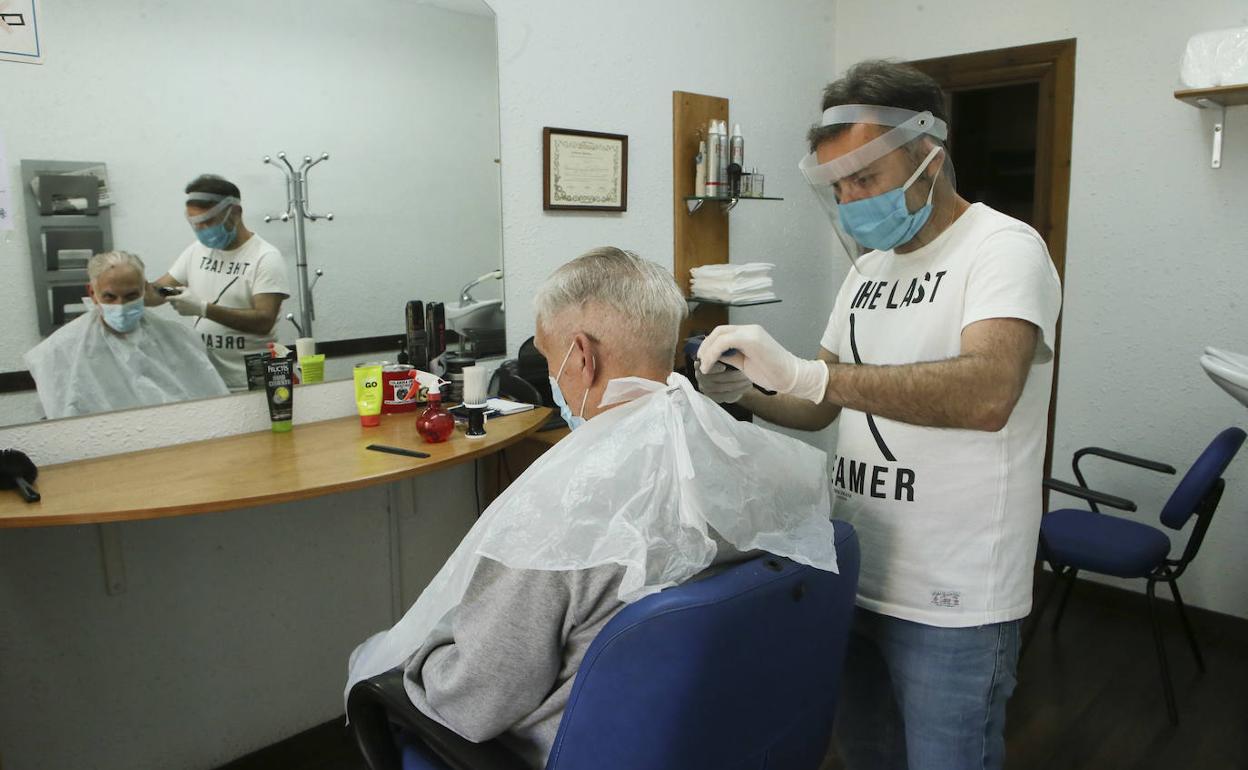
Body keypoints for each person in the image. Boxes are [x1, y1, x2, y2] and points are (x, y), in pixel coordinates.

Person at [695, 60, 1062, 770]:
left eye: (865, 177)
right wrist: (745, 390)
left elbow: (988, 394)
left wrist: (809, 373)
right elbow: (818, 405)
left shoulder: (1003, 249)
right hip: (857, 571)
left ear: (930, 155)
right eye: (838, 187)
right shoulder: (867, 272)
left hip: (954, 596)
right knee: (866, 755)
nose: (852, 201)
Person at [346, 247, 841, 769]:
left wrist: (419, 660)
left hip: (575, 751)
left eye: (548, 360)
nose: (552, 378)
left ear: (581, 356)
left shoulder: (563, 521)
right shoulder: (755, 471)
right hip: (723, 739)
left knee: (378, 672)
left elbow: (471, 703)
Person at [24, 251, 229, 419]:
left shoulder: (179, 340)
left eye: (131, 296)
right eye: (110, 297)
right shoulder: (60, 351)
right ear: (92, 292)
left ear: (144, 289)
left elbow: (208, 406)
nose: (120, 305)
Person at [149, 174, 289, 390]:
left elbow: (264, 321)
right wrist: (123, 291)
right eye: (196, 224)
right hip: (210, 379)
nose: (202, 230)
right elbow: (157, 292)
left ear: (235, 213)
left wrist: (203, 309)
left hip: (254, 381)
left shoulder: (265, 257)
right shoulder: (197, 251)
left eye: (209, 222)